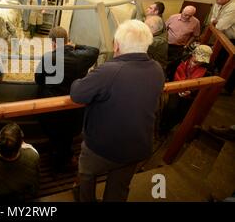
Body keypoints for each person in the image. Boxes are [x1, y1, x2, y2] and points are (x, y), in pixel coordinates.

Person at [70, 20, 165, 202]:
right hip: (138, 144)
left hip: (102, 146)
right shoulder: (157, 69)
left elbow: (77, 93)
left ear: (117, 45)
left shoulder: (109, 70)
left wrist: (84, 77)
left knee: (86, 176)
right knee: (119, 188)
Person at [35, 26, 99, 172]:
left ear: (52, 43)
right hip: (74, 108)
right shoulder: (81, 57)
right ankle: (66, 155)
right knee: (66, 136)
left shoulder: (48, 58)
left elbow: (38, 79)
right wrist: (75, 46)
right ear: (67, 40)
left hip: (51, 110)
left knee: (56, 136)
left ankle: (59, 159)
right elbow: (94, 50)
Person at [160, 45, 213, 135]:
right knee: (171, 108)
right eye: (197, 59)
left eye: (202, 61)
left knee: (183, 113)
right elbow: (169, 69)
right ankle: (162, 127)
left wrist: (192, 92)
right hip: (174, 87)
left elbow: (206, 88)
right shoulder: (181, 60)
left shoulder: (208, 70)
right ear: (193, 54)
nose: (199, 62)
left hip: (190, 94)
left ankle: (167, 129)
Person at [165, 6, 201, 80]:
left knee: (174, 64)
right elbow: (165, 28)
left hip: (179, 47)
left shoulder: (196, 22)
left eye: (190, 16)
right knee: (163, 61)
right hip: (166, 44)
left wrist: (187, 44)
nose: (187, 17)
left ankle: (169, 78)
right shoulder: (173, 17)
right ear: (182, 11)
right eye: (185, 14)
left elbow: (195, 36)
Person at [211, 0, 235, 95]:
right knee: (219, 61)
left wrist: (216, 21)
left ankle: (228, 88)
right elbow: (213, 18)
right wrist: (215, 21)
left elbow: (220, 25)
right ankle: (218, 82)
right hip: (222, 38)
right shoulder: (219, 3)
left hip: (232, 40)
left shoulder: (233, 7)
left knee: (229, 64)